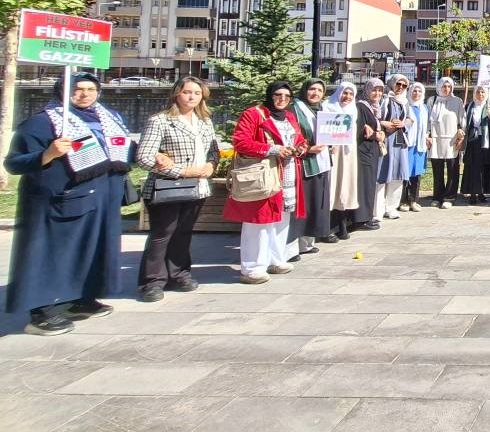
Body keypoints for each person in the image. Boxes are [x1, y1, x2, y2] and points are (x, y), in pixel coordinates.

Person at [5, 73, 133, 335]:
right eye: (76, 89)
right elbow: (14, 163)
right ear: (61, 92)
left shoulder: (110, 120)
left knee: (90, 250)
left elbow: (122, 151)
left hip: (100, 201)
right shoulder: (43, 122)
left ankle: (79, 298)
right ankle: (41, 311)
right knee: (52, 254)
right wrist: (49, 154)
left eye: (90, 89)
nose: (84, 94)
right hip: (58, 201)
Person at [135, 76, 220, 302]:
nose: (191, 97)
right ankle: (152, 281)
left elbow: (213, 150)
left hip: (197, 187)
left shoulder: (205, 121)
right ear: (176, 94)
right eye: (187, 92)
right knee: (162, 234)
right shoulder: (160, 120)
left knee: (183, 232)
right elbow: (143, 157)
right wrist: (181, 171)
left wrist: (211, 166)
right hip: (168, 187)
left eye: (196, 93)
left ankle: (179, 273)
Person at [224, 81, 308, 284]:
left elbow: (297, 139)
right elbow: (241, 142)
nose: (282, 99)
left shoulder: (289, 116)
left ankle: (275, 259)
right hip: (264, 174)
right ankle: (253, 267)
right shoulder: (254, 114)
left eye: (287, 96)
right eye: (278, 95)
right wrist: (273, 149)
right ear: (270, 95)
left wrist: (301, 147)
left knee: (282, 217)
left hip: (287, 173)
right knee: (259, 220)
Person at [289, 78, 333, 255]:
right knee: (303, 205)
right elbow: (290, 136)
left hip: (321, 162)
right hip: (303, 163)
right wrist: (307, 149)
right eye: (312, 89)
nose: (315, 93)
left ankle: (307, 242)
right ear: (305, 90)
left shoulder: (322, 109)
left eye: (320, 91)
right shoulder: (294, 109)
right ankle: (293, 247)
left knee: (316, 203)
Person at [325, 81, 360, 240]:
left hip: (348, 153)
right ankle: (329, 226)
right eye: (345, 93)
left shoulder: (353, 109)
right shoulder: (328, 107)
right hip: (333, 152)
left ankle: (342, 224)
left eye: (351, 94)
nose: (347, 97)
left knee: (345, 186)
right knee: (333, 186)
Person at [376, 74, 413, 220]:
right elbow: (376, 117)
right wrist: (385, 124)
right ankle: (378, 209)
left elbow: (411, 119)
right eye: (398, 84)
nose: (401, 88)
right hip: (386, 141)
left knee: (398, 175)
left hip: (400, 142)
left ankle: (391, 207)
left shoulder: (405, 101)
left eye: (404, 86)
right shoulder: (384, 99)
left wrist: (404, 124)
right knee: (382, 174)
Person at [426, 77, 465, 208]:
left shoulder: (457, 101)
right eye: (444, 86)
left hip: (451, 140)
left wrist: (461, 132)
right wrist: (428, 135)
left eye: (449, 86)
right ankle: (437, 196)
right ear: (439, 87)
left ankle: (449, 196)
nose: (446, 89)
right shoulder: (432, 101)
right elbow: (427, 120)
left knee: (452, 169)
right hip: (436, 139)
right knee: (437, 170)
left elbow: (462, 120)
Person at [353, 79, 385, 229]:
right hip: (363, 152)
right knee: (364, 184)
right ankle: (361, 218)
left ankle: (367, 215)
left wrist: (379, 133)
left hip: (371, 151)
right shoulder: (361, 106)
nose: (377, 93)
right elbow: (359, 130)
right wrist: (375, 135)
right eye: (374, 90)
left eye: (380, 90)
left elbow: (374, 129)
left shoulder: (373, 107)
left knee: (370, 183)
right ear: (367, 90)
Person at [461, 85, 490, 204]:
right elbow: (464, 122)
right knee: (472, 167)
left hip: (485, 141)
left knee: (483, 167)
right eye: (478, 92)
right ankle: (472, 193)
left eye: (483, 92)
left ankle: (481, 192)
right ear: (474, 93)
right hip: (472, 140)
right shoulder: (469, 107)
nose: (480, 95)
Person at [403, 82, 431, 211]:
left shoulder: (424, 108)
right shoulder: (405, 105)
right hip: (408, 144)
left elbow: (426, 126)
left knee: (417, 173)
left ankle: (414, 200)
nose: (417, 94)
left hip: (419, 145)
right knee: (405, 173)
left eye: (419, 91)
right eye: (415, 91)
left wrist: (427, 136)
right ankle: (403, 201)